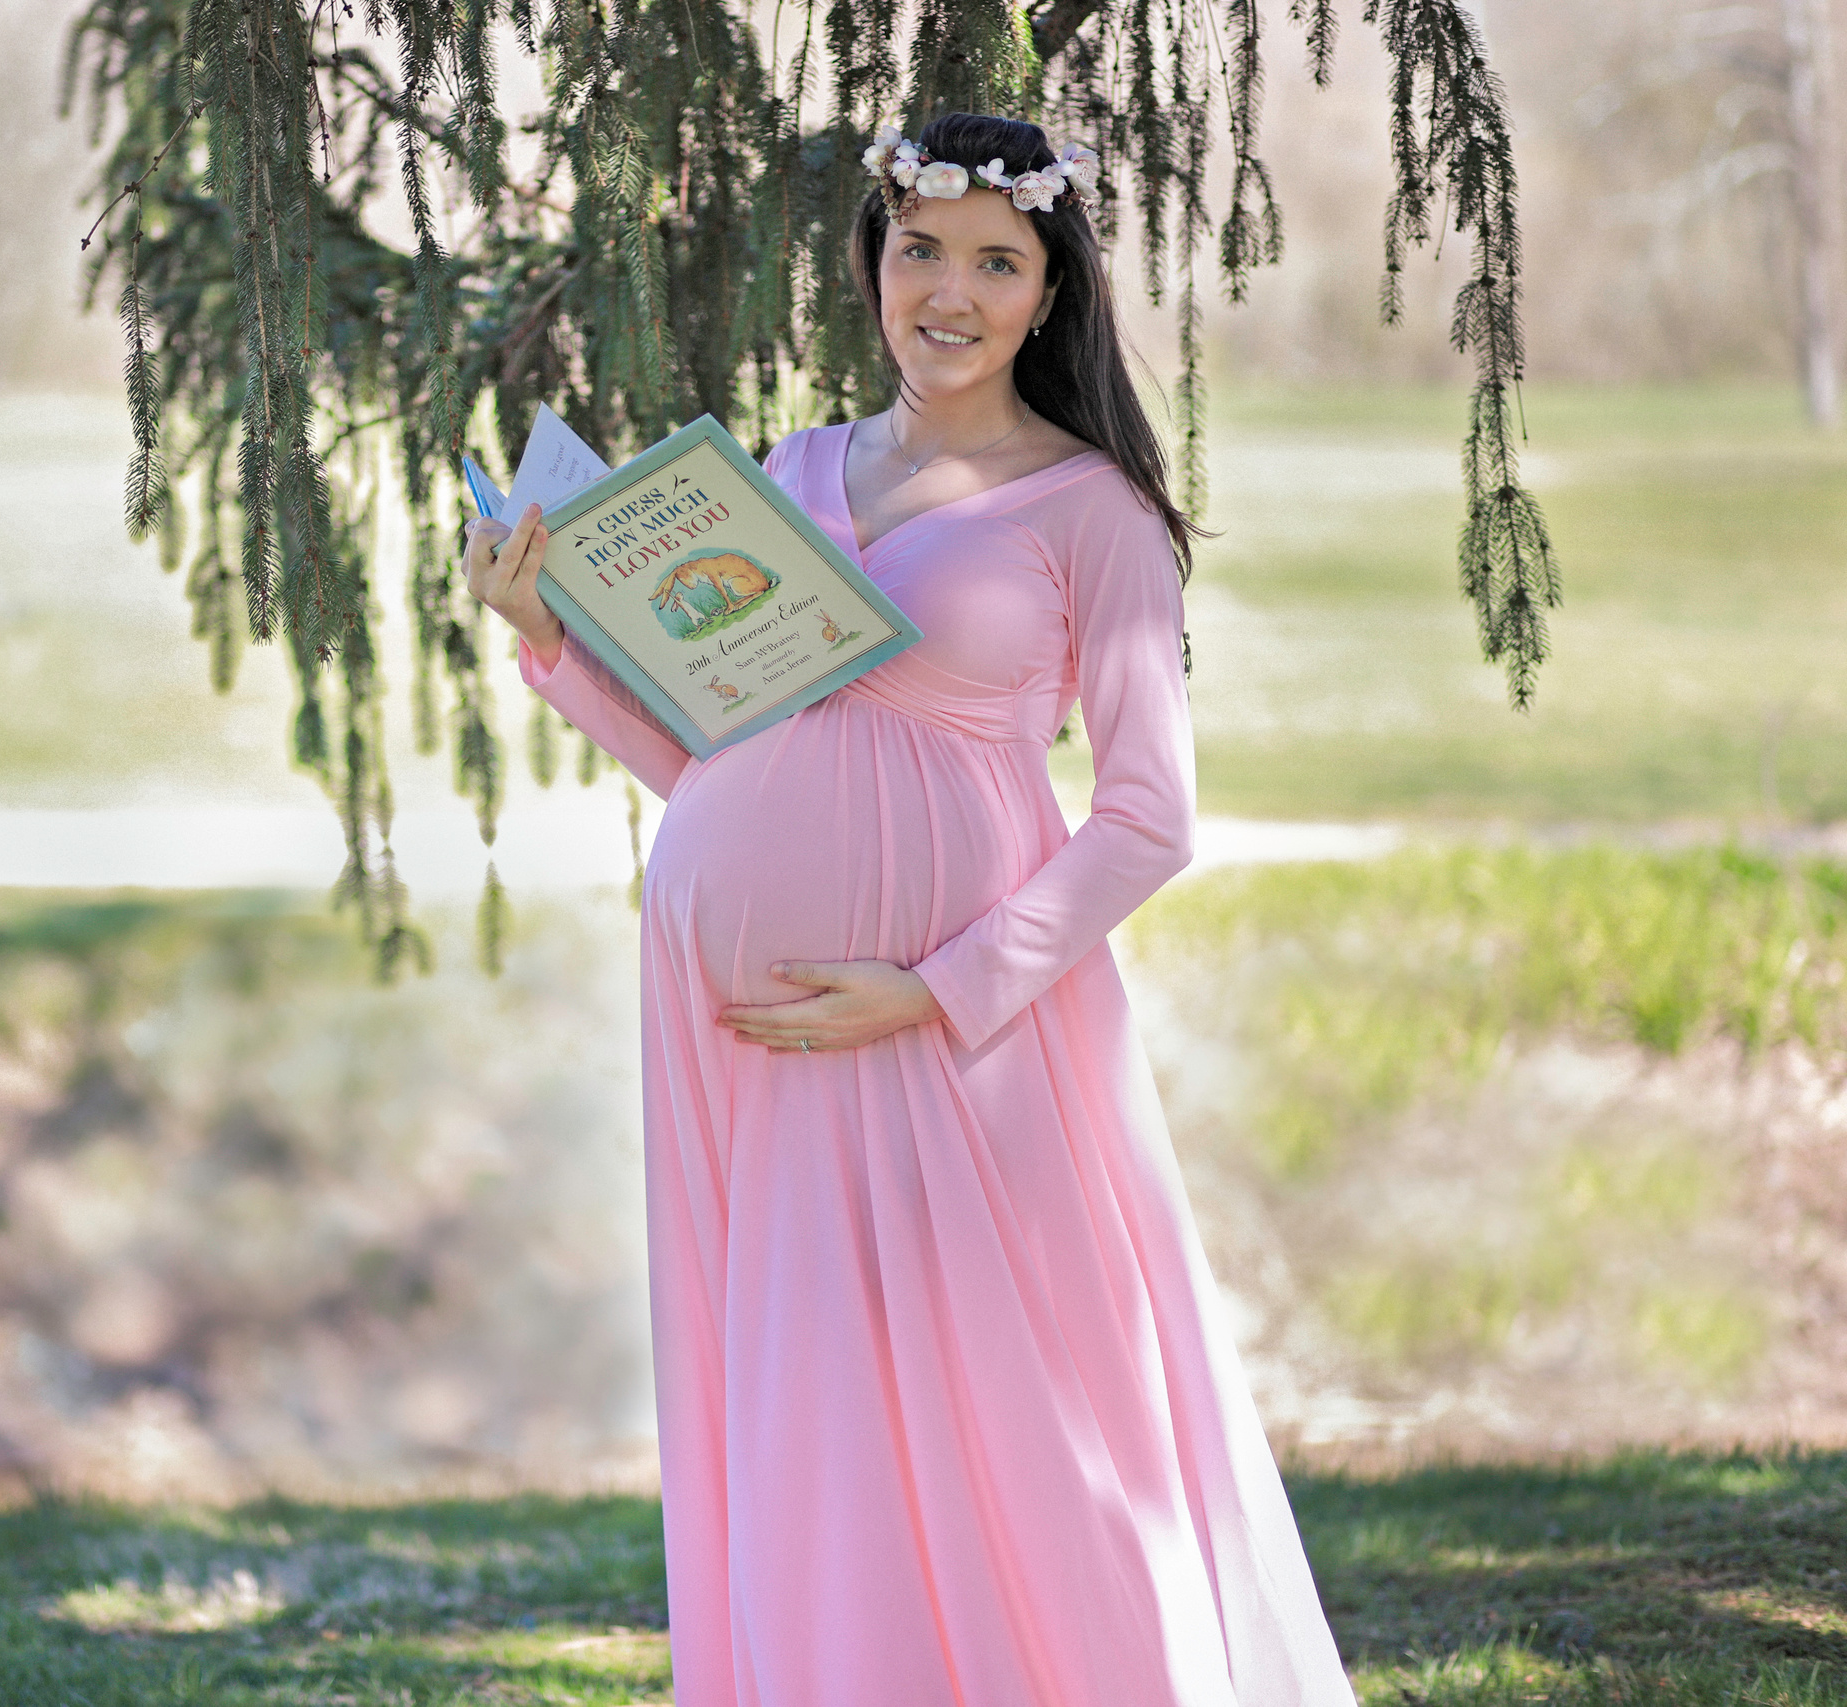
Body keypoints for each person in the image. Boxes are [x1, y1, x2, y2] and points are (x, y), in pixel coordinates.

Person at [462, 112, 1356, 1707]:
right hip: (747, 1028)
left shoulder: (1094, 512)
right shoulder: (781, 475)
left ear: (1050, 291)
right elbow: (721, 756)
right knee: (809, 1391)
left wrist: (940, 987)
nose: (950, 292)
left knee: (1009, 1398)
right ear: (874, 261)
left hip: (957, 1023)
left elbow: (1149, 819)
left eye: (997, 262)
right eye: (920, 250)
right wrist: (552, 641)